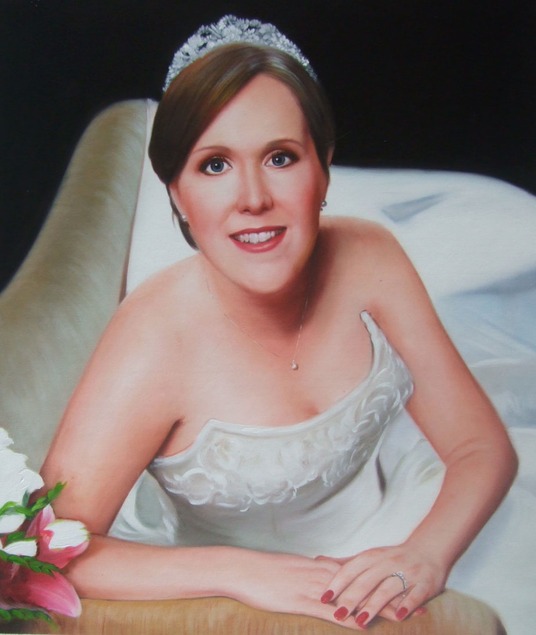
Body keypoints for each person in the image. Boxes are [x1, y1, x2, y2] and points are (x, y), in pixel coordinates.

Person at [40, 16, 517, 630]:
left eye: (281, 157)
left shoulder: (371, 257)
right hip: (227, 598)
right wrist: (238, 572)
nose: (254, 198)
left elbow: (481, 447)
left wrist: (426, 554)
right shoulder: (152, 340)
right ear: (176, 193)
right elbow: (49, 554)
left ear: (324, 168)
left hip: (405, 530)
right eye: (215, 165)